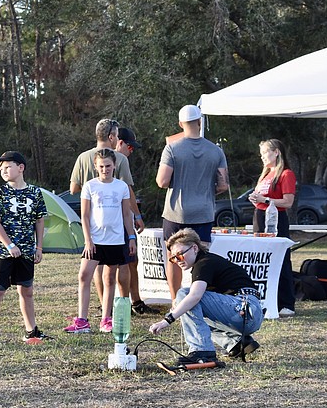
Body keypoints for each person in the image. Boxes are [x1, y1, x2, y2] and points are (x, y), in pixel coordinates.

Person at [149, 228, 263, 364]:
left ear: (194, 248)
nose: (177, 260)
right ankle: (237, 343)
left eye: (180, 254)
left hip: (245, 311)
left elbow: (194, 296)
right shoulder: (206, 262)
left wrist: (166, 320)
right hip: (247, 312)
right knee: (190, 308)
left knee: (185, 294)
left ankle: (201, 351)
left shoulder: (204, 263)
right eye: (173, 258)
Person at [70, 118, 139, 330]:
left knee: (110, 276)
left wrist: (131, 236)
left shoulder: (120, 186)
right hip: (95, 237)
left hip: (116, 237)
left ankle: (107, 318)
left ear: (113, 166)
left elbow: (127, 212)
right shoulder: (90, 186)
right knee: (86, 274)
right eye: (101, 166)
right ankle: (82, 319)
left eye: (108, 166)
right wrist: (88, 239)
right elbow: (83, 210)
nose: (105, 169)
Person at [156, 104, 229, 304]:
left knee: (174, 258)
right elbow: (223, 185)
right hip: (203, 213)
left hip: (175, 213)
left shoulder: (172, 148)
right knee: (202, 260)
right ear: (200, 122)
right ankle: (200, 302)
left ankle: (175, 301)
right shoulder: (215, 151)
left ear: (180, 124)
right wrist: (205, 189)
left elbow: (162, 181)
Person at [0, 151, 50, 345]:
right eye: (1, 169)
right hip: (4, 252)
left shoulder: (35, 193)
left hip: (28, 251)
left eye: (7, 166)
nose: (3, 171)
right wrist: (9, 244)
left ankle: (31, 331)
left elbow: (39, 220)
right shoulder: (0, 192)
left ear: (21, 168)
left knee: (26, 290)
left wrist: (39, 247)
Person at [249, 139, 297, 317]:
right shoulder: (266, 174)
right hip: (260, 216)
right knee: (262, 260)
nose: (262, 157)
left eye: (265, 153)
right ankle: (267, 300)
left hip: (276, 219)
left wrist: (266, 200)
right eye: (261, 154)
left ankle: (286, 303)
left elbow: (288, 202)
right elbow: (261, 197)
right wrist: (256, 199)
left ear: (276, 152)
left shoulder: (286, 174)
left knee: (281, 259)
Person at [114, 127, 158, 316]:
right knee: (123, 262)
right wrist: (138, 216)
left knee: (131, 261)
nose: (131, 152)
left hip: (116, 220)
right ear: (120, 142)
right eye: (130, 147)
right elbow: (128, 190)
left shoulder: (104, 158)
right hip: (119, 220)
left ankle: (134, 301)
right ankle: (125, 304)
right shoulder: (119, 159)